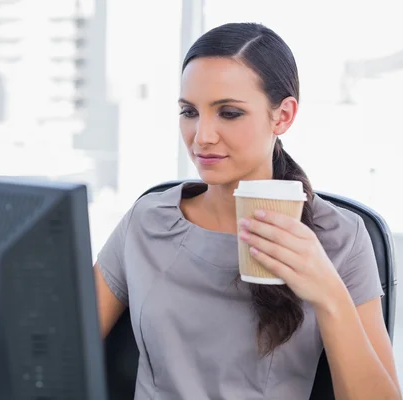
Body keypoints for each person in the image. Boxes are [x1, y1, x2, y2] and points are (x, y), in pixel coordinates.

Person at [94, 22, 400, 399]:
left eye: (229, 113)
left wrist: (328, 293)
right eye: (189, 112)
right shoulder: (146, 221)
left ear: (283, 116)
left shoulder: (340, 238)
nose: (202, 135)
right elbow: (57, 352)